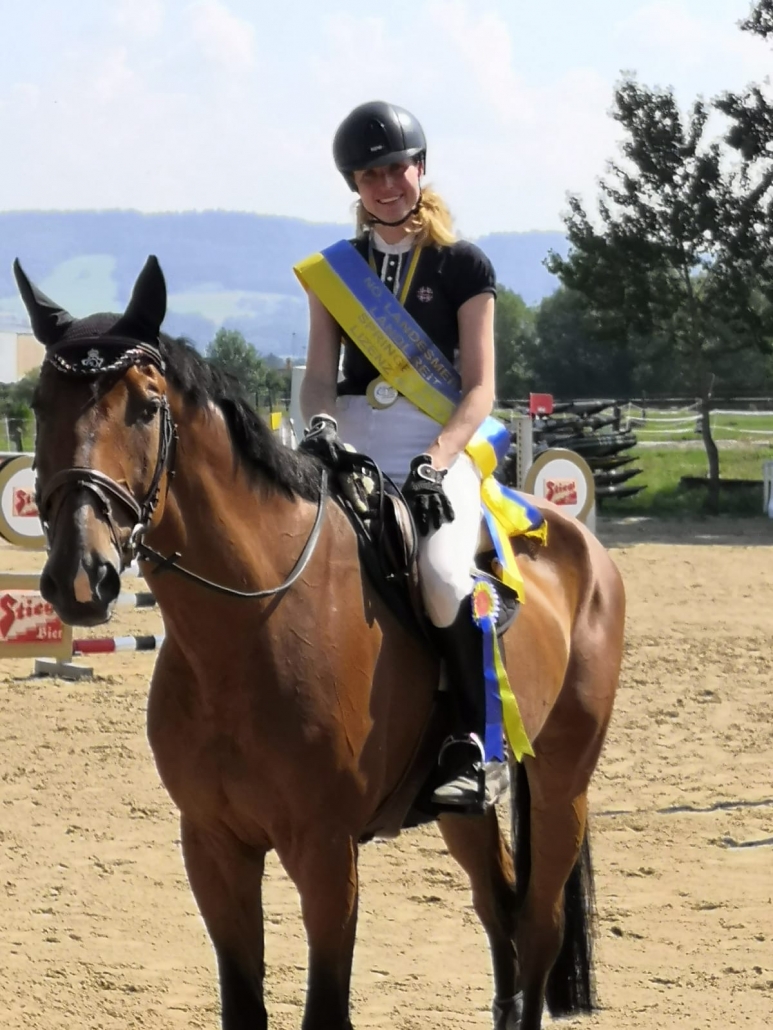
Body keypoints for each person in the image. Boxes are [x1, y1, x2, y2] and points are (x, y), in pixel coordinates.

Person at [298, 100, 501, 810]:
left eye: (395, 169)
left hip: (435, 442)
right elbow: (319, 377)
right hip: (351, 443)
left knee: (443, 575)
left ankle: (474, 744)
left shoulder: (462, 265)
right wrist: (319, 428)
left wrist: (436, 461)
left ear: (419, 169)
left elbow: (479, 388)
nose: (385, 184)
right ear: (354, 184)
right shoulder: (334, 272)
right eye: (368, 174)